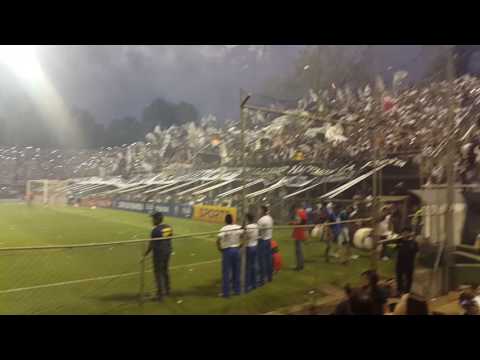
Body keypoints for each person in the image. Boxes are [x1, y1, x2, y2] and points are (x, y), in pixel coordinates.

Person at [143, 212, 173, 301]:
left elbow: (152, 244)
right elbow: (169, 238)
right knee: (165, 271)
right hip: (167, 251)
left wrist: (145, 254)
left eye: (153, 219)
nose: (152, 221)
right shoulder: (168, 227)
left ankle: (160, 294)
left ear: (157, 219)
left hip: (159, 254)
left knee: (158, 273)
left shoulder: (155, 230)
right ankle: (167, 290)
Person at [217, 214, 243, 298]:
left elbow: (218, 239)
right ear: (232, 220)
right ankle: (237, 290)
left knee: (226, 272)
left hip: (227, 251)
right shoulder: (238, 227)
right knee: (237, 271)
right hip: (236, 250)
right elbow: (244, 232)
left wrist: (219, 248)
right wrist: (241, 244)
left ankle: (226, 293)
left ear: (225, 220)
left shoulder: (224, 229)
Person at [395, 227, 419, 296]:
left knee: (409, 278)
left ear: (409, 233)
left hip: (409, 263)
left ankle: (407, 292)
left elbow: (416, 252)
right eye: (403, 233)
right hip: (400, 263)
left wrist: (416, 262)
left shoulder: (413, 242)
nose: (405, 234)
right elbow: (395, 250)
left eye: (406, 232)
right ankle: (399, 291)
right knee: (399, 277)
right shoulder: (399, 241)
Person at [257, 205, 274, 285]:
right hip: (269, 240)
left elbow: (258, 232)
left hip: (262, 240)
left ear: (263, 211)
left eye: (259, 210)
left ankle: (262, 279)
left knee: (261, 261)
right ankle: (270, 277)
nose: (258, 211)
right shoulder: (270, 218)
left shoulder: (261, 220)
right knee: (268, 259)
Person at [244, 213, 259, 293]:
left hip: (249, 247)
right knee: (254, 265)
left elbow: (244, 236)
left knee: (248, 267)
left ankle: (248, 285)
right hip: (255, 245)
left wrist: (244, 229)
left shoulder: (248, 227)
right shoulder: (256, 225)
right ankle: (254, 284)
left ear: (247, 219)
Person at [290, 206, 308, 271]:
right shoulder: (303, 212)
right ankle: (300, 265)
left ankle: (299, 266)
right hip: (301, 232)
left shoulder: (299, 213)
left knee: (298, 251)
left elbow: (300, 222)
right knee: (300, 250)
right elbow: (303, 221)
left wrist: (292, 223)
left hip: (298, 233)